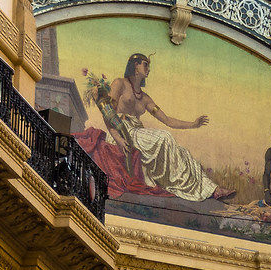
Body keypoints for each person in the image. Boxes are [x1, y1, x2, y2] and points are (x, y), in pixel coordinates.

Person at [100, 53, 233, 203]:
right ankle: (180, 184)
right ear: (135, 65)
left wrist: (193, 124)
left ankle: (212, 189)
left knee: (183, 152)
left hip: (137, 132)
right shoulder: (120, 83)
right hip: (122, 132)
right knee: (164, 137)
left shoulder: (145, 98)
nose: (149, 69)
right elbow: (107, 112)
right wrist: (117, 137)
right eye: (145, 65)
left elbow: (168, 120)